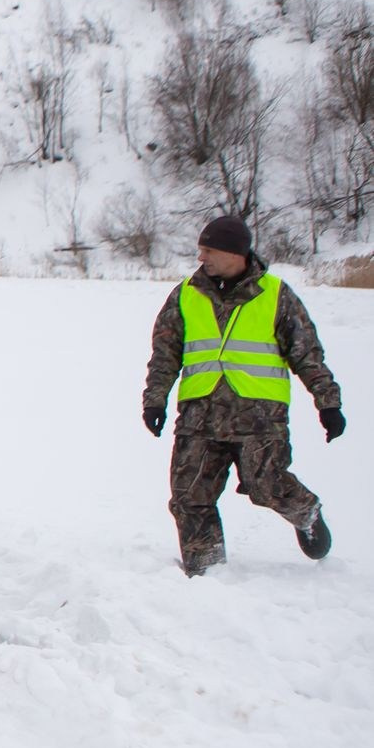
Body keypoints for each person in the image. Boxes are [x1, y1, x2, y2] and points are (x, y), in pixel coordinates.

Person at [141, 213, 345, 576]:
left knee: (266, 487)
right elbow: (165, 353)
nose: (201, 258)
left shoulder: (276, 296)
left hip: (259, 418)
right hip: (199, 416)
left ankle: (306, 512)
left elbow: (307, 354)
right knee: (189, 497)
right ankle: (207, 573)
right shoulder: (185, 295)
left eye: (208, 250)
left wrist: (328, 402)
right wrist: (155, 399)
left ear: (236, 253)